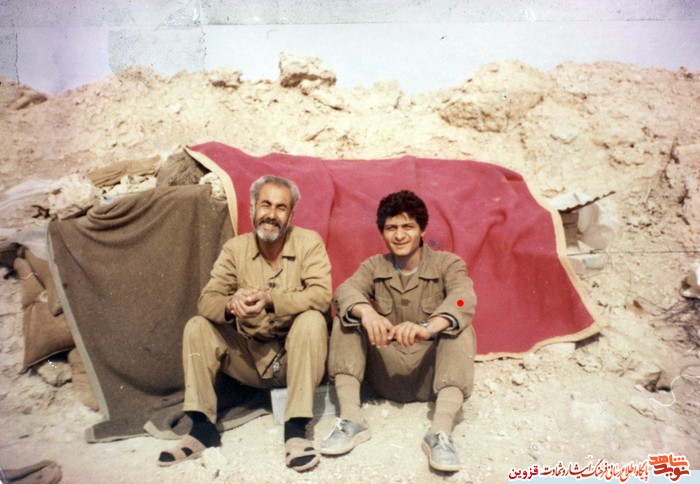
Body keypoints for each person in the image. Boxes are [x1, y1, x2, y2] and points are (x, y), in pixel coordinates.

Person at [158, 175, 332, 472]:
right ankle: (202, 429)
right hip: (249, 361)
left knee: (313, 319)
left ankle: (296, 429)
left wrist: (271, 300)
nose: (271, 214)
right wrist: (230, 304)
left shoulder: (309, 242)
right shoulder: (234, 249)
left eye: (281, 208)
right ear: (252, 208)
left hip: (295, 360)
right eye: (265, 205)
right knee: (197, 325)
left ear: (291, 215)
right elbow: (207, 299)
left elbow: (322, 295)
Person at [322, 190, 476, 473]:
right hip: (385, 371)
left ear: (422, 231)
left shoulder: (448, 264)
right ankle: (351, 419)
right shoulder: (374, 266)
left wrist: (428, 327)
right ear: (382, 232)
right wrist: (367, 312)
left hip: (430, 374)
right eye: (391, 228)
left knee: (461, 330)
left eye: (408, 227)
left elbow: (463, 298)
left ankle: (440, 433)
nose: (400, 235)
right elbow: (345, 291)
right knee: (348, 319)